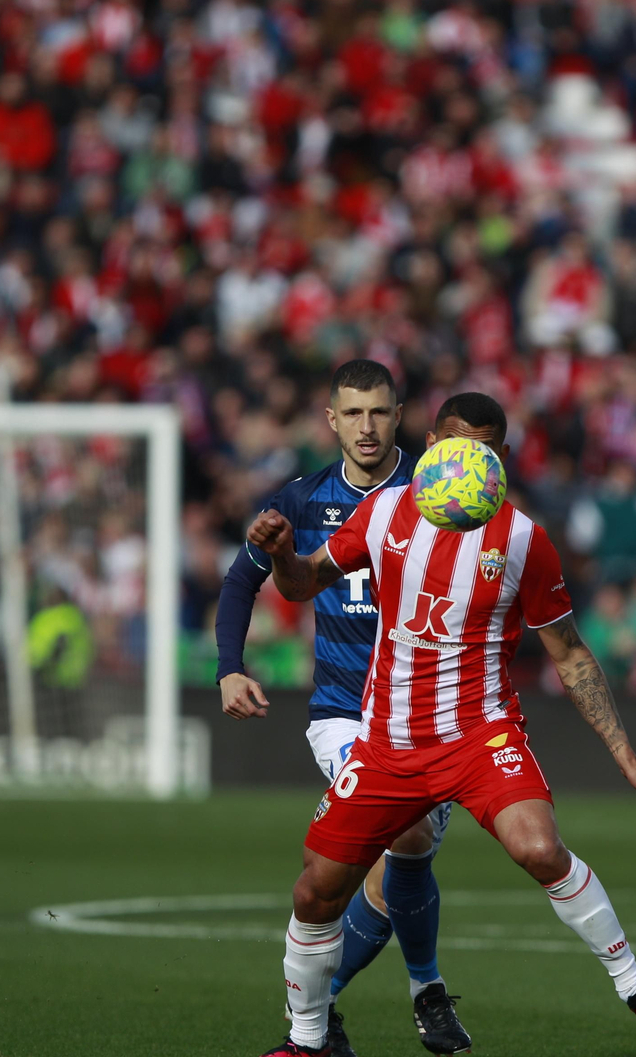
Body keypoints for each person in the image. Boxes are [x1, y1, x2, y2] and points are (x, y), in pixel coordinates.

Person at [247, 392, 636, 1057]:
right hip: (388, 742)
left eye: (482, 452)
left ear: (502, 461)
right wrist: (284, 555)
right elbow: (301, 584)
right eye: (455, 447)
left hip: (479, 737)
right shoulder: (384, 512)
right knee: (316, 891)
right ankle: (308, 1040)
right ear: (431, 446)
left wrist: (624, 754)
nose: (465, 463)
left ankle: (635, 984)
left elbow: (570, 653)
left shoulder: (522, 540)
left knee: (540, 849)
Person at [215, 360, 472, 1057]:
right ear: (331, 420)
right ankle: (420, 994)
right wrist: (230, 670)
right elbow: (243, 582)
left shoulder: (440, 493)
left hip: (426, 714)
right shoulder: (300, 500)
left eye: (380, 413)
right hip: (343, 714)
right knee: (408, 837)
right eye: (353, 413)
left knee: (383, 867)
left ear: (399, 417)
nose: (366, 427)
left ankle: (336, 1016)